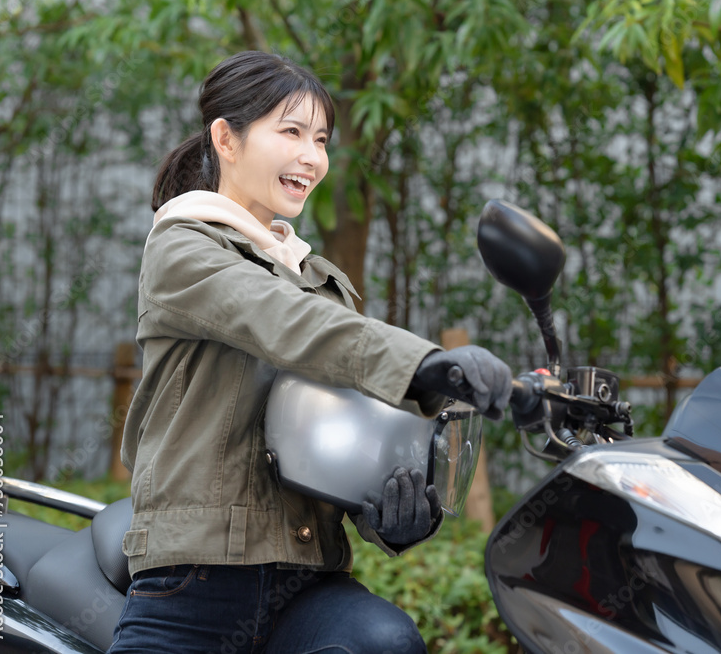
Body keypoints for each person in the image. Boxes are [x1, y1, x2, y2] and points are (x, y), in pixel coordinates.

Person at [108, 50, 512, 654]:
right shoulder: (182, 247)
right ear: (227, 138)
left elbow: (348, 434)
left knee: (386, 641)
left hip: (308, 582)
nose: (311, 157)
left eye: (320, 139)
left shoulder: (319, 278)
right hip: (192, 581)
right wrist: (428, 364)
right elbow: (285, 322)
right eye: (290, 131)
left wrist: (390, 519)